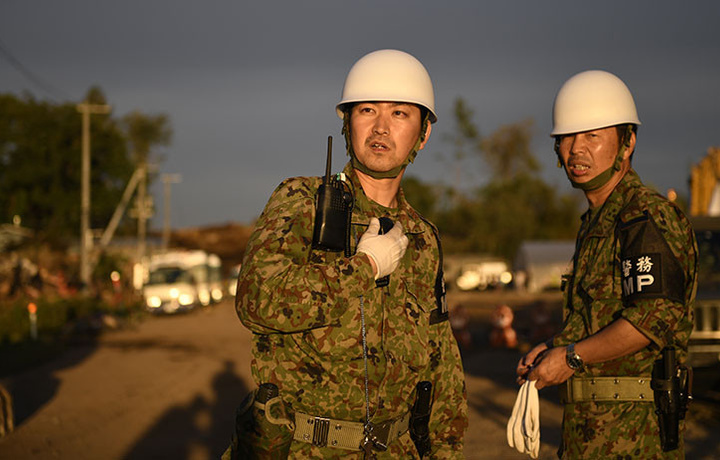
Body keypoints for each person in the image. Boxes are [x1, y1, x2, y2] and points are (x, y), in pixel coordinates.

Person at [225, 49, 467, 459]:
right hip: (305, 449)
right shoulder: (303, 201)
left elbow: (440, 363)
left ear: (423, 134)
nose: (380, 127)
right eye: (367, 110)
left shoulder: (423, 239)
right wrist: (364, 267)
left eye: (400, 114)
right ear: (347, 124)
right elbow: (256, 300)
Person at [516, 70, 697, 458]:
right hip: (589, 436)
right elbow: (596, 319)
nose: (576, 149)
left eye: (592, 136)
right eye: (567, 137)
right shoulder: (599, 222)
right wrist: (553, 346)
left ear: (627, 142)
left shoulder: (644, 216)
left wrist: (570, 357)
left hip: (635, 438)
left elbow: (653, 318)